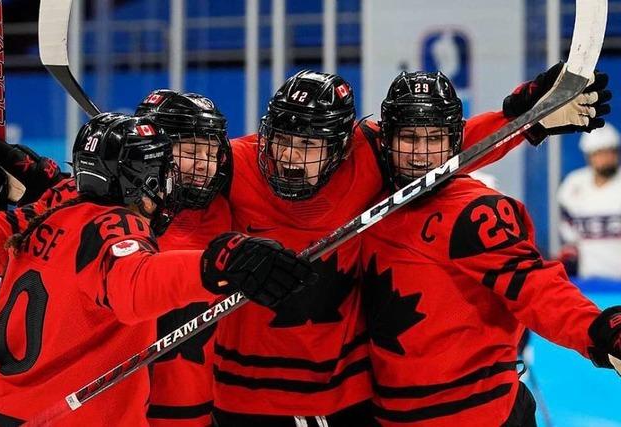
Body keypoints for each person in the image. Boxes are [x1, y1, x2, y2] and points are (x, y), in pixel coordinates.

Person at [211, 67, 577, 426]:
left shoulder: (367, 156)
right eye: (281, 139)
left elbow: (434, 153)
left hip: (347, 396)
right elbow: (177, 221)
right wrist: (220, 254)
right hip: (243, 395)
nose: (290, 155)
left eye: (308, 144)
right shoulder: (233, 166)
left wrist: (521, 120)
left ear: (341, 145)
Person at [0, 113, 315, 425]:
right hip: (66, 418)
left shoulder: (45, 213)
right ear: (140, 180)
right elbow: (136, 283)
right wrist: (216, 264)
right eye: (161, 172)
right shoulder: (119, 224)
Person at [360, 70, 617, 427]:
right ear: (386, 140)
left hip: (479, 415)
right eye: (408, 138)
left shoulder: (477, 212)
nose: (421, 154)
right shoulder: (365, 198)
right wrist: (517, 121)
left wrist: (600, 329)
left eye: (435, 138)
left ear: (454, 140)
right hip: (389, 415)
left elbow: (535, 287)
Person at [135, 90, 233, 427]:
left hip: (204, 412)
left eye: (211, 151)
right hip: (125, 411)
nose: (203, 164)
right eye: (191, 150)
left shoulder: (227, 205)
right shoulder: (117, 213)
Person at [557, 123, 621, 279]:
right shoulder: (574, 185)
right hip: (589, 280)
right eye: (599, 153)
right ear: (589, 156)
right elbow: (570, 238)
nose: (605, 158)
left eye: (610, 152)